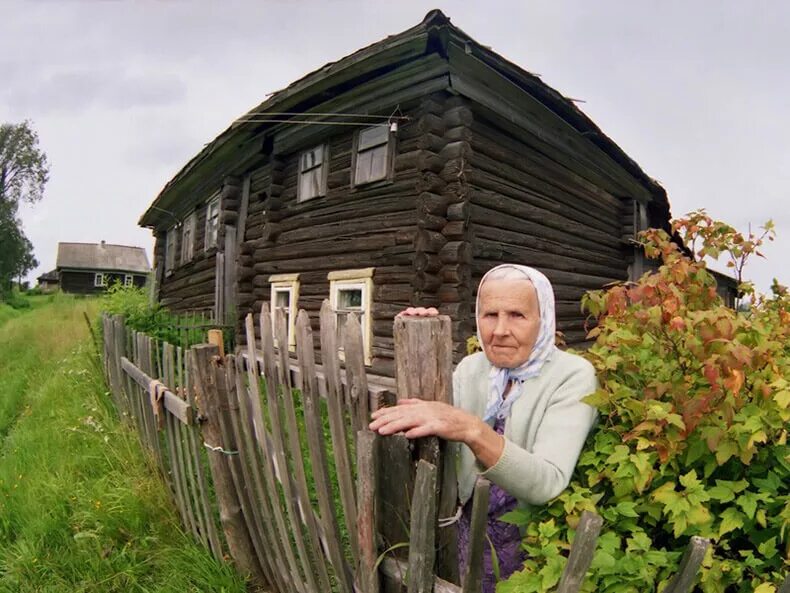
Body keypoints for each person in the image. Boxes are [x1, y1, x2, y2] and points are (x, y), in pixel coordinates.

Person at [369, 264, 597, 592]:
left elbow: (546, 482)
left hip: (531, 543)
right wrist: (420, 334)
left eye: (517, 315)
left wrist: (473, 429)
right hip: (466, 529)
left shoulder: (573, 376)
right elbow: (432, 421)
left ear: (543, 318)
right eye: (490, 314)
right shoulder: (473, 368)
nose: (500, 329)